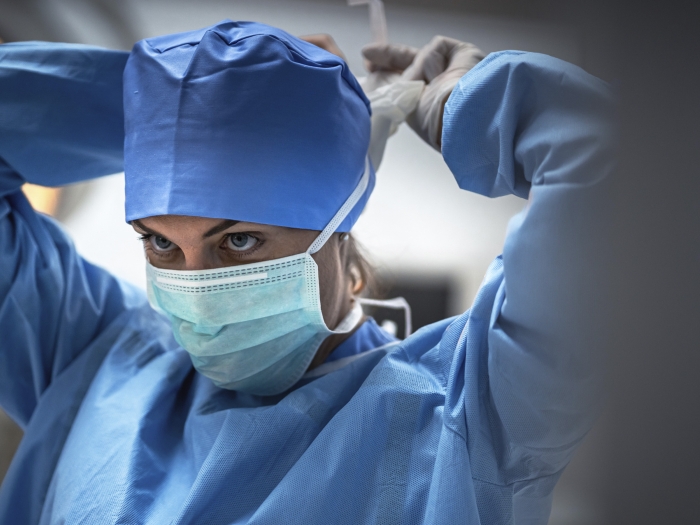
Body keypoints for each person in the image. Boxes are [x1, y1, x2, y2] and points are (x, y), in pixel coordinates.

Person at [0, 20, 613, 524]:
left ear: (337, 229)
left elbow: (630, 172)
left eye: (238, 240)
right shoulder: (90, 356)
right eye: (160, 243)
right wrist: (175, 103)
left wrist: (469, 102)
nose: (196, 284)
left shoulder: (473, 412)